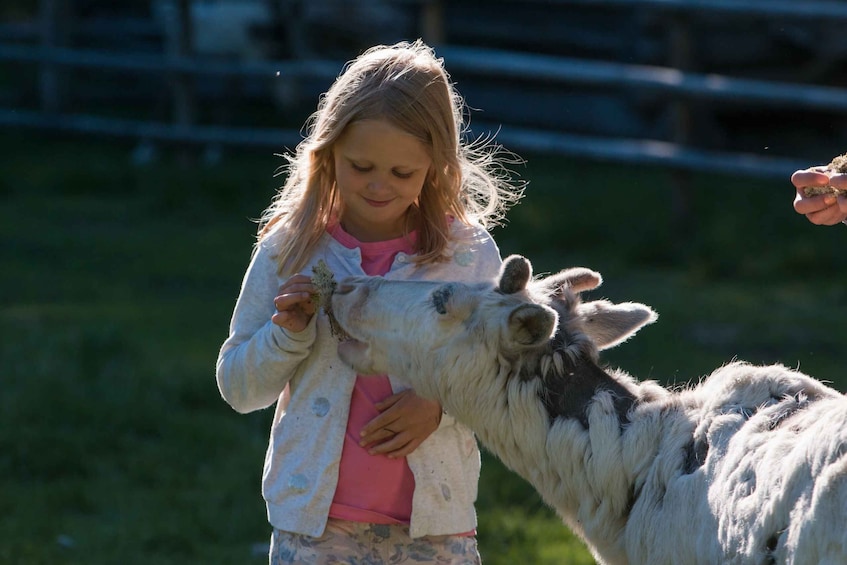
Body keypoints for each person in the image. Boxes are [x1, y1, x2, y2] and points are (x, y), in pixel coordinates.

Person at [216, 39, 524, 564]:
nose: (379, 186)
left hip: (436, 531)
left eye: (402, 173)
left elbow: (505, 378)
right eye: (361, 166)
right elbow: (238, 387)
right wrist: (284, 335)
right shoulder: (292, 249)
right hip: (315, 530)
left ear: (437, 166)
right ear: (329, 150)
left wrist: (439, 405)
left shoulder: (466, 255)